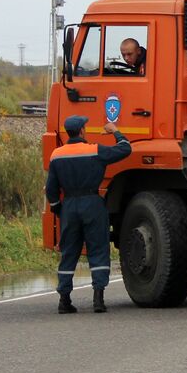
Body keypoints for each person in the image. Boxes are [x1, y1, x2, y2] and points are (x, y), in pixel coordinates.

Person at [46, 115, 132, 313]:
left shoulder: (57, 155)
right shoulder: (95, 150)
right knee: (98, 249)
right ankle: (98, 299)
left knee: (69, 252)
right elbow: (125, 149)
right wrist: (115, 131)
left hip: (69, 205)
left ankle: (64, 300)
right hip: (92, 204)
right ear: (83, 131)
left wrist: (58, 208)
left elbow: (51, 189)